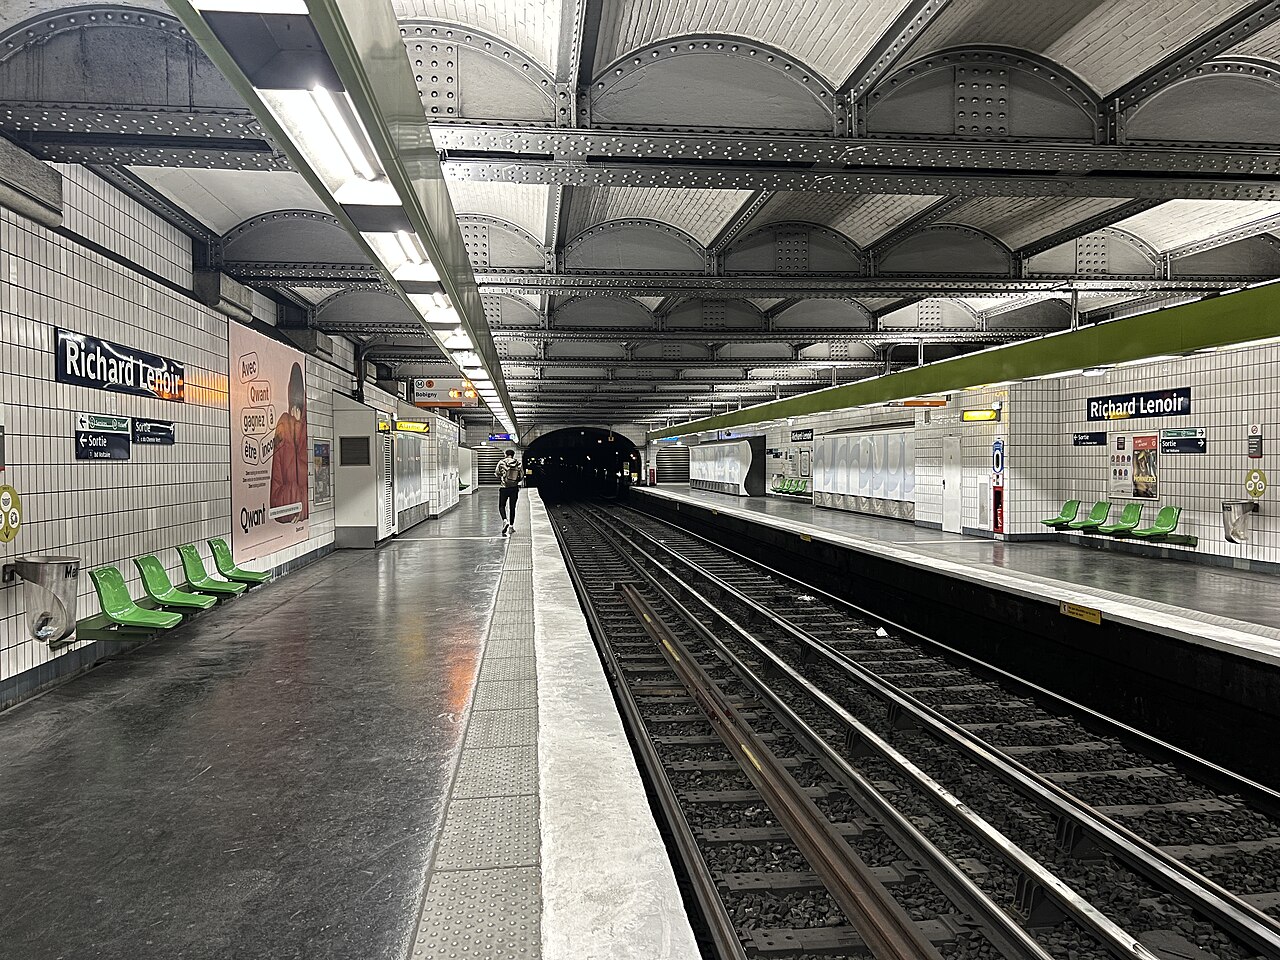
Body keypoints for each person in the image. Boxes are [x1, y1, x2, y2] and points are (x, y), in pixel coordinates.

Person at [496, 448, 522, 534]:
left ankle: (505, 520)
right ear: (513, 455)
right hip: (514, 488)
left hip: (504, 487)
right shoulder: (518, 463)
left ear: (506, 454)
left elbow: (496, 473)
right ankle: (511, 526)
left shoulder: (501, 462)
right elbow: (521, 476)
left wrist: (503, 475)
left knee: (501, 506)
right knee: (512, 507)